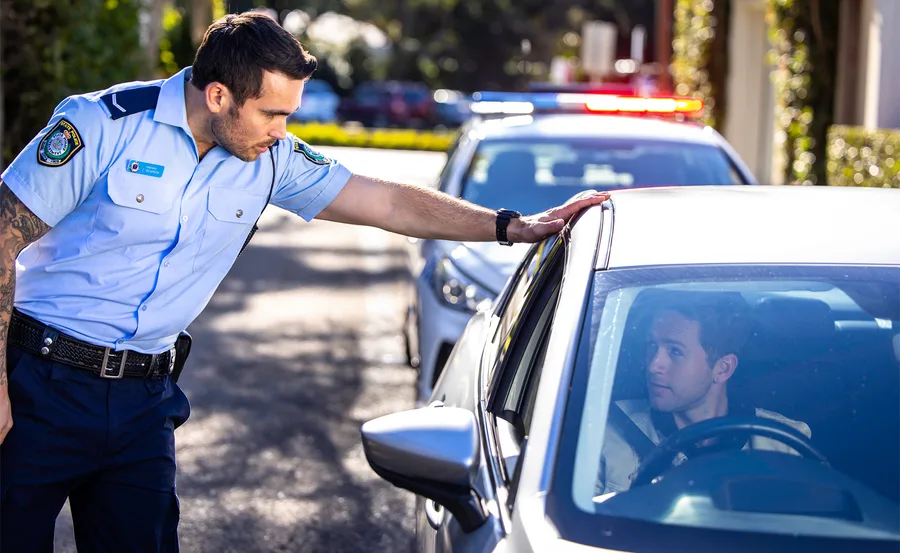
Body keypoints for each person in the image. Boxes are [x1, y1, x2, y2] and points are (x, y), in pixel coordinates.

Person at [0, 12, 609, 553]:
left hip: (142, 402)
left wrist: (511, 226)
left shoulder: (271, 158)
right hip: (36, 383)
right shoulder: (103, 125)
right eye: (272, 112)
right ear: (218, 95)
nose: (282, 129)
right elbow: (2, 238)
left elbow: (389, 204)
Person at [596, 293, 811, 496]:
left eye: (675, 351)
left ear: (723, 369)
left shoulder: (784, 444)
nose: (653, 365)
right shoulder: (605, 432)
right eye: (652, 345)